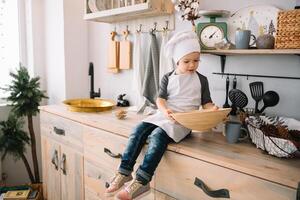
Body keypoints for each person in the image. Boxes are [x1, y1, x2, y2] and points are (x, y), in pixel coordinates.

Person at [104, 31, 218, 200]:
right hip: (164, 115)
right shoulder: (167, 77)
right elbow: (160, 100)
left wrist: (212, 109)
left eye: (196, 60)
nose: (192, 65)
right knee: (138, 130)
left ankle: (142, 181)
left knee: (158, 136)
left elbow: (206, 102)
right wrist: (165, 111)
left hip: (183, 121)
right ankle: (124, 172)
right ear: (177, 60)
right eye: (187, 61)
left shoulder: (202, 80)